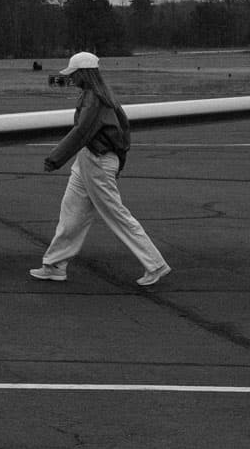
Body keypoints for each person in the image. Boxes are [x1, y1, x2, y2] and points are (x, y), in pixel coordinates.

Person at [30, 52, 173, 287]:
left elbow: (81, 132)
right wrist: (119, 161)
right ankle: (55, 265)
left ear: (83, 74)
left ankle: (155, 264)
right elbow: (124, 131)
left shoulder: (93, 99)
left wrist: (55, 159)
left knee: (116, 214)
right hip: (88, 159)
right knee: (71, 212)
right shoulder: (101, 96)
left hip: (97, 160)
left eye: (74, 74)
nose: (71, 79)